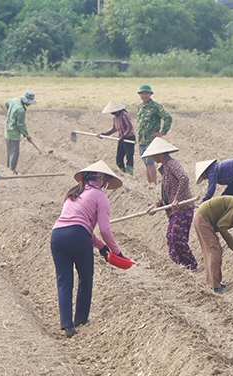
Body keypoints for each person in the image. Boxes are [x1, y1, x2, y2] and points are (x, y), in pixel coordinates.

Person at [50, 161, 126, 338]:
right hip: (78, 237)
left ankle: (67, 325)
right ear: (100, 178)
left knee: (64, 280)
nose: (106, 183)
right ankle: (81, 319)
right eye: (105, 179)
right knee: (85, 276)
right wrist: (116, 252)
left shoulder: (74, 193)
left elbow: (75, 223)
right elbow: (104, 229)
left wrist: (100, 247)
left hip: (57, 236)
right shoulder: (99, 195)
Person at [142, 138, 197, 271]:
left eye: (153, 156)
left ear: (158, 154)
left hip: (183, 208)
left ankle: (191, 265)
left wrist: (177, 199)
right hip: (174, 210)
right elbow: (167, 194)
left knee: (177, 237)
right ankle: (178, 266)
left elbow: (184, 178)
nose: (153, 158)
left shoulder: (172, 164)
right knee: (170, 237)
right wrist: (156, 206)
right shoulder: (164, 168)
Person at [136, 84, 172, 185]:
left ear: (151, 94)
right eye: (142, 93)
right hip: (142, 139)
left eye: (147, 93)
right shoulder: (140, 107)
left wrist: (162, 132)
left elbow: (168, 117)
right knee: (146, 163)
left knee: (150, 163)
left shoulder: (156, 107)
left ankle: (154, 184)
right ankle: (149, 185)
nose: (144, 95)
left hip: (151, 140)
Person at [2, 91, 36, 174]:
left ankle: (8, 168)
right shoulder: (20, 110)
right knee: (15, 152)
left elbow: (6, 104)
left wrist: (10, 114)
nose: (30, 105)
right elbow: (20, 125)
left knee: (10, 151)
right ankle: (12, 169)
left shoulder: (14, 100)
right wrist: (27, 135)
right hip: (13, 133)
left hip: (7, 129)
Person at [99, 100, 136, 174]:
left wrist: (125, 135)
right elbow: (114, 129)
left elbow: (130, 126)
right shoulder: (115, 118)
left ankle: (129, 173)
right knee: (119, 158)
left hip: (129, 138)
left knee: (129, 157)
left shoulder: (124, 115)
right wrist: (104, 134)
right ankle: (123, 172)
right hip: (121, 138)